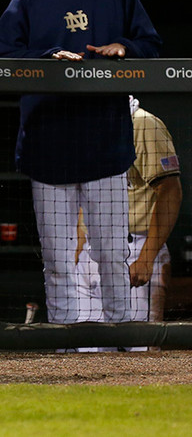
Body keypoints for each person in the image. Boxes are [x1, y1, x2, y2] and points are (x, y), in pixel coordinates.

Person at [0, 0, 162, 327]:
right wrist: (47, 59)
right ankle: (63, 338)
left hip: (105, 142)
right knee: (58, 257)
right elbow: (0, 60)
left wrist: (124, 47)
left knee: (111, 252)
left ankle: (121, 333)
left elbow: (150, 43)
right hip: (49, 143)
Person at [75, 97, 182, 332]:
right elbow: (84, 195)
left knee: (139, 346)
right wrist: (76, 253)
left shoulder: (143, 123)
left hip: (135, 249)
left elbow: (170, 191)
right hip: (90, 253)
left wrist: (146, 258)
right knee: (83, 346)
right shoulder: (83, 124)